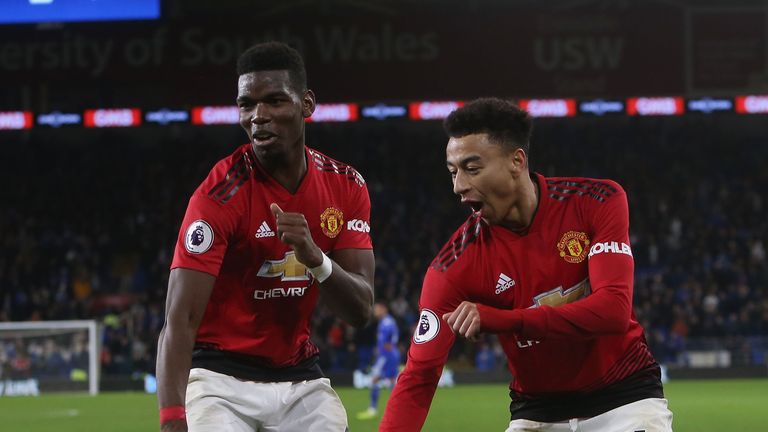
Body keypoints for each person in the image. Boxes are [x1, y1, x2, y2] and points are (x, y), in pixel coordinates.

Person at [380, 98, 673, 431]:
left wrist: (502, 320)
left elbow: (614, 311)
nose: (458, 186)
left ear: (516, 161)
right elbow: (419, 377)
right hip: (537, 411)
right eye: (453, 171)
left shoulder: (596, 201)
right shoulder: (452, 267)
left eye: (472, 169)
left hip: (626, 399)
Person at [156, 41, 375, 432]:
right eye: (246, 104)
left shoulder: (346, 186)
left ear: (307, 104)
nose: (258, 116)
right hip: (219, 379)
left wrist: (315, 258)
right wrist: (173, 421)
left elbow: (360, 310)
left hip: (299, 379)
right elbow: (180, 319)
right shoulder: (218, 195)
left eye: (275, 101)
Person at [357, 301, 400, 420]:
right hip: (390, 355)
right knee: (392, 381)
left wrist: (382, 353)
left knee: (375, 379)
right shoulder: (388, 321)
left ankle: (373, 409)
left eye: (377, 309)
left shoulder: (386, 323)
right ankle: (397, 409)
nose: (375, 312)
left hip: (387, 356)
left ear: (383, 309)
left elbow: (388, 343)